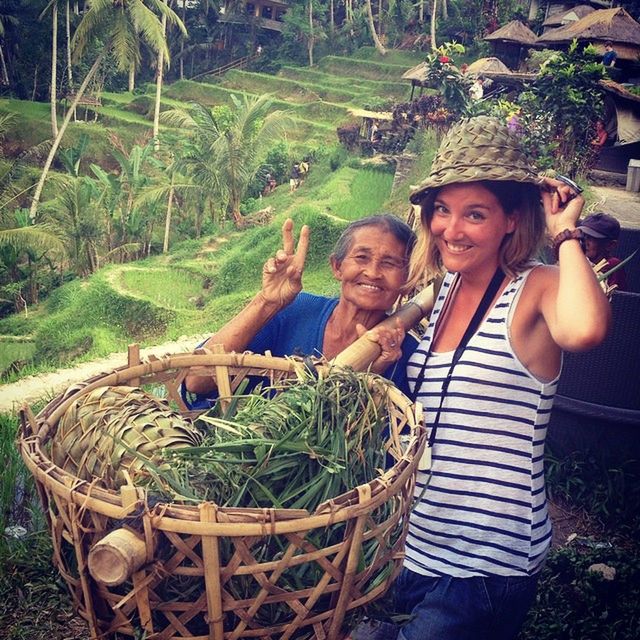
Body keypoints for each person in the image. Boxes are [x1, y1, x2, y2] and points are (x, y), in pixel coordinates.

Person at [394, 116, 611, 640]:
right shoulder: (444, 290)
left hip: (484, 564)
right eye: (442, 210)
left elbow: (584, 330)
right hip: (416, 547)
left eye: (474, 214)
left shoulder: (535, 288)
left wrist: (565, 234)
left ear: (511, 219)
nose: (451, 228)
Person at [183, 215, 418, 409]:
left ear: (407, 280)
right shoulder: (296, 312)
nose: (373, 272)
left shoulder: (407, 355)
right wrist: (267, 301)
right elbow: (195, 381)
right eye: (361, 257)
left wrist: (375, 372)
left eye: (390, 263)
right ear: (337, 267)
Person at [578, 212, 627, 292]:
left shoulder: (612, 266)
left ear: (610, 245)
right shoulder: (578, 258)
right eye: (583, 236)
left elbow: (614, 298)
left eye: (591, 238)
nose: (585, 242)